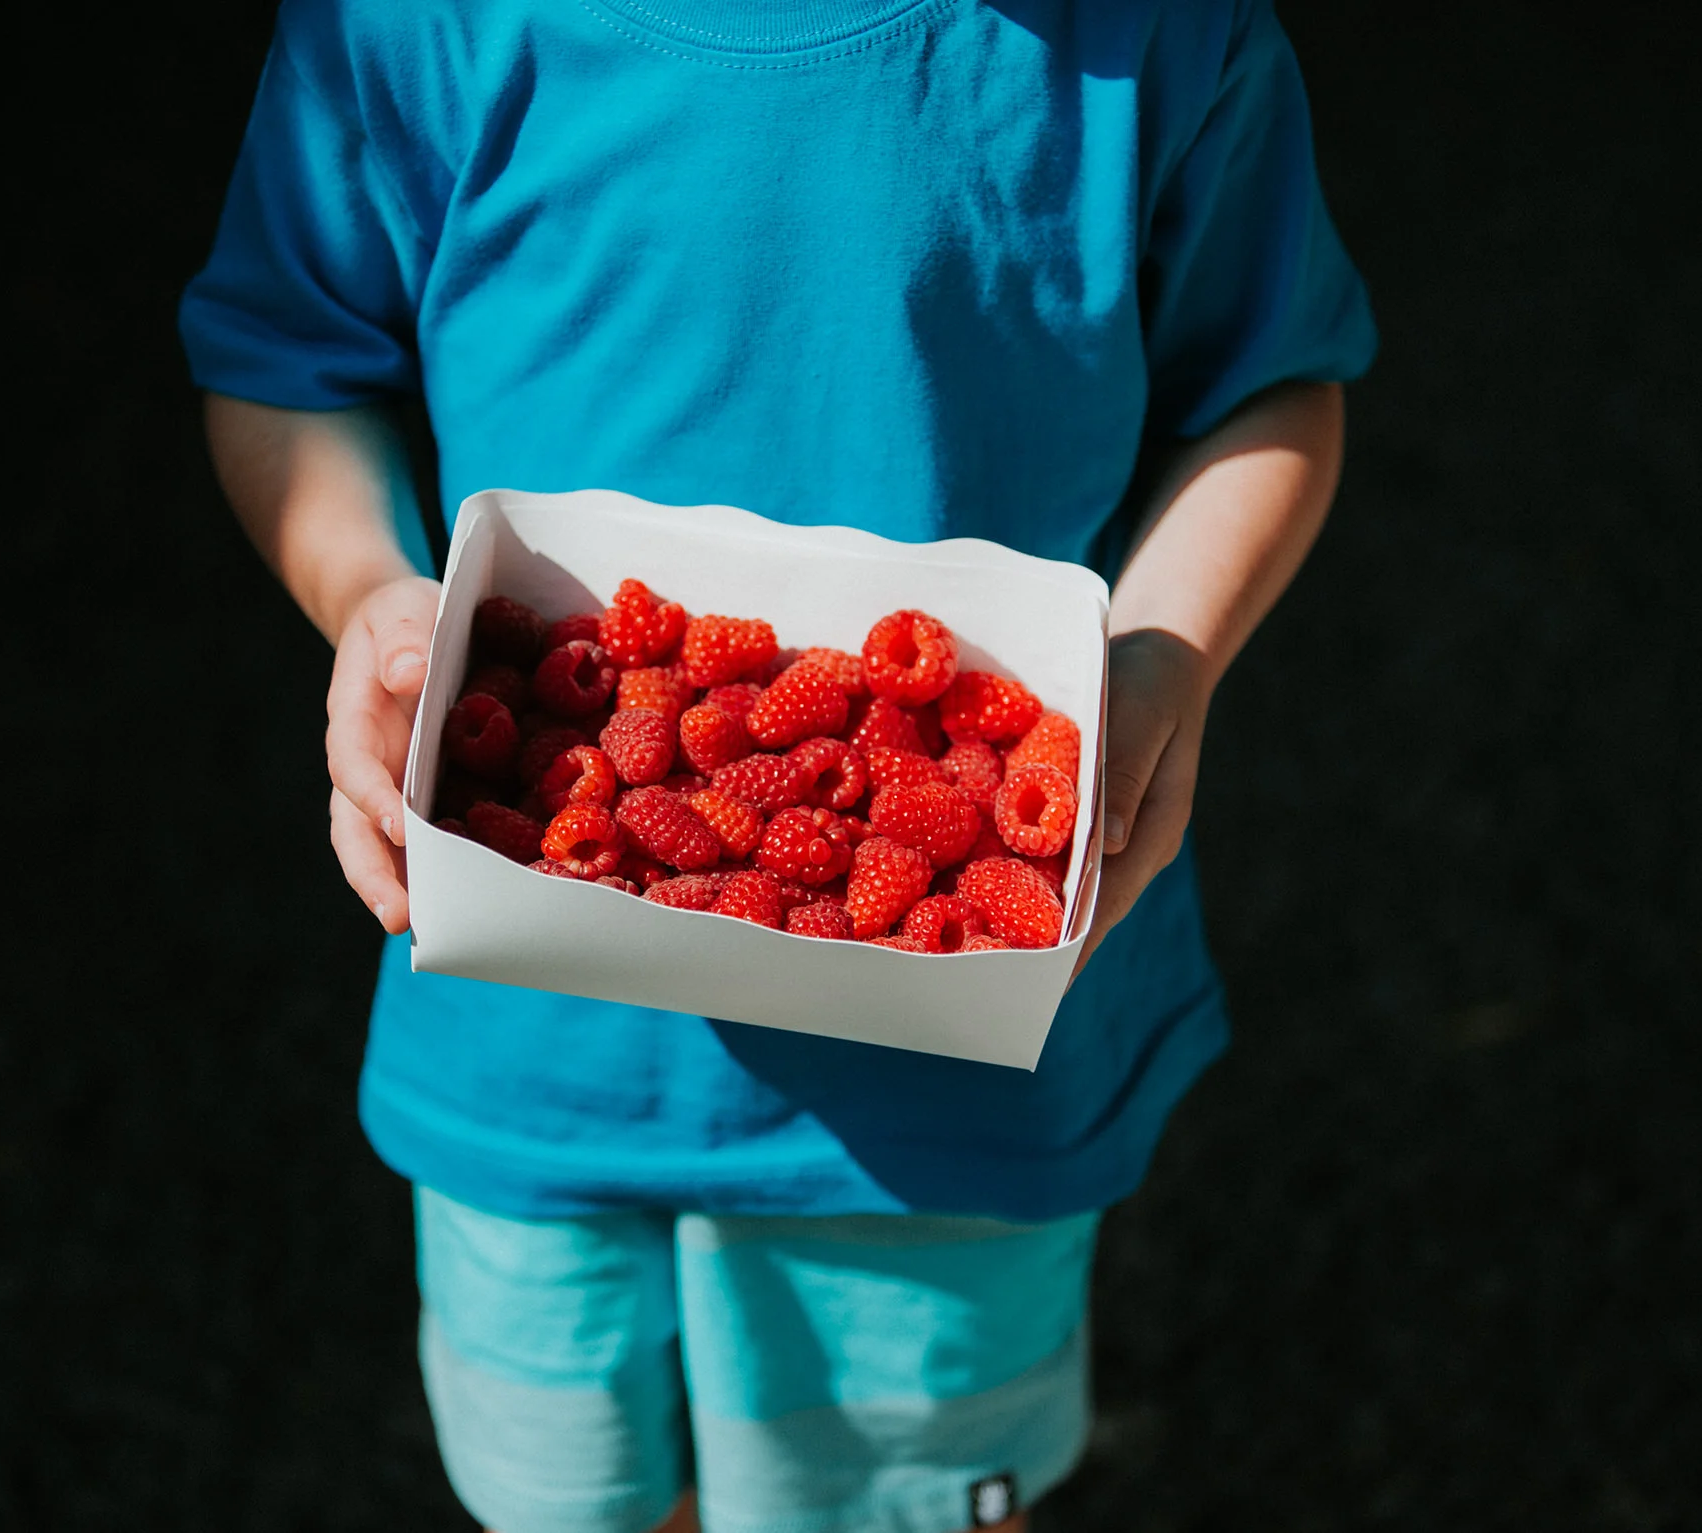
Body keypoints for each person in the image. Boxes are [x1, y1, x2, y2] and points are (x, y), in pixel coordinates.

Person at [180, 1, 1373, 1528]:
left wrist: (1168, 654)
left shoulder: (1157, 39)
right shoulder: (415, 27)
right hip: (533, 1029)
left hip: (952, 1069)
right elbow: (286, 362)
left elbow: (1272, 385)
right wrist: (364, 588)